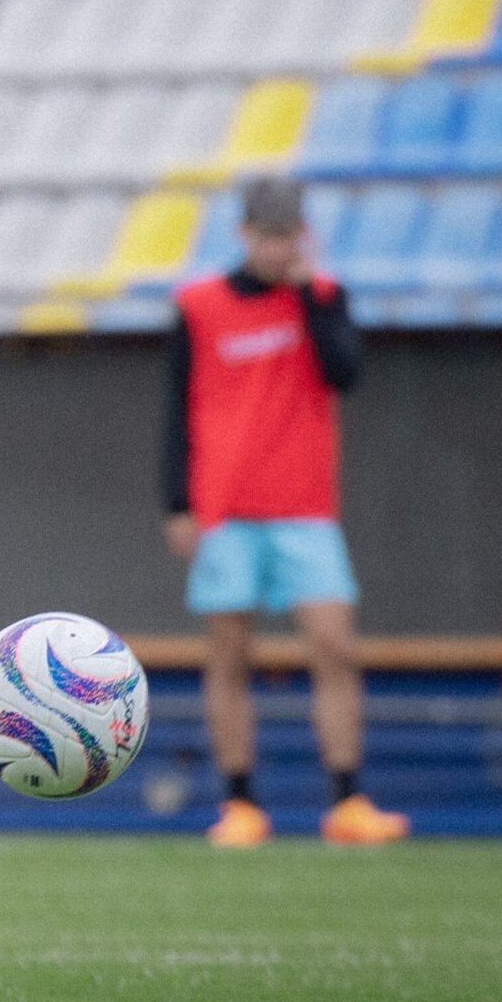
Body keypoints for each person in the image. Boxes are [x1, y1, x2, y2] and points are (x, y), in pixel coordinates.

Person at [163, 175, 408, 849]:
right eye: (270, 236)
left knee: (334, 646)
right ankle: (240, 801)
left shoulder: (322, 299)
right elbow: (177, 405)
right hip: (229, 505)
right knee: (230, 654)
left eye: (290, 235)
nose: (280, 248)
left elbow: (344, 373)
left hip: (304, 504)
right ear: (245, 234)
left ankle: (347, 798)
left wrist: (309, 295)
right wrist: (177, 500)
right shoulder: (200, 305)